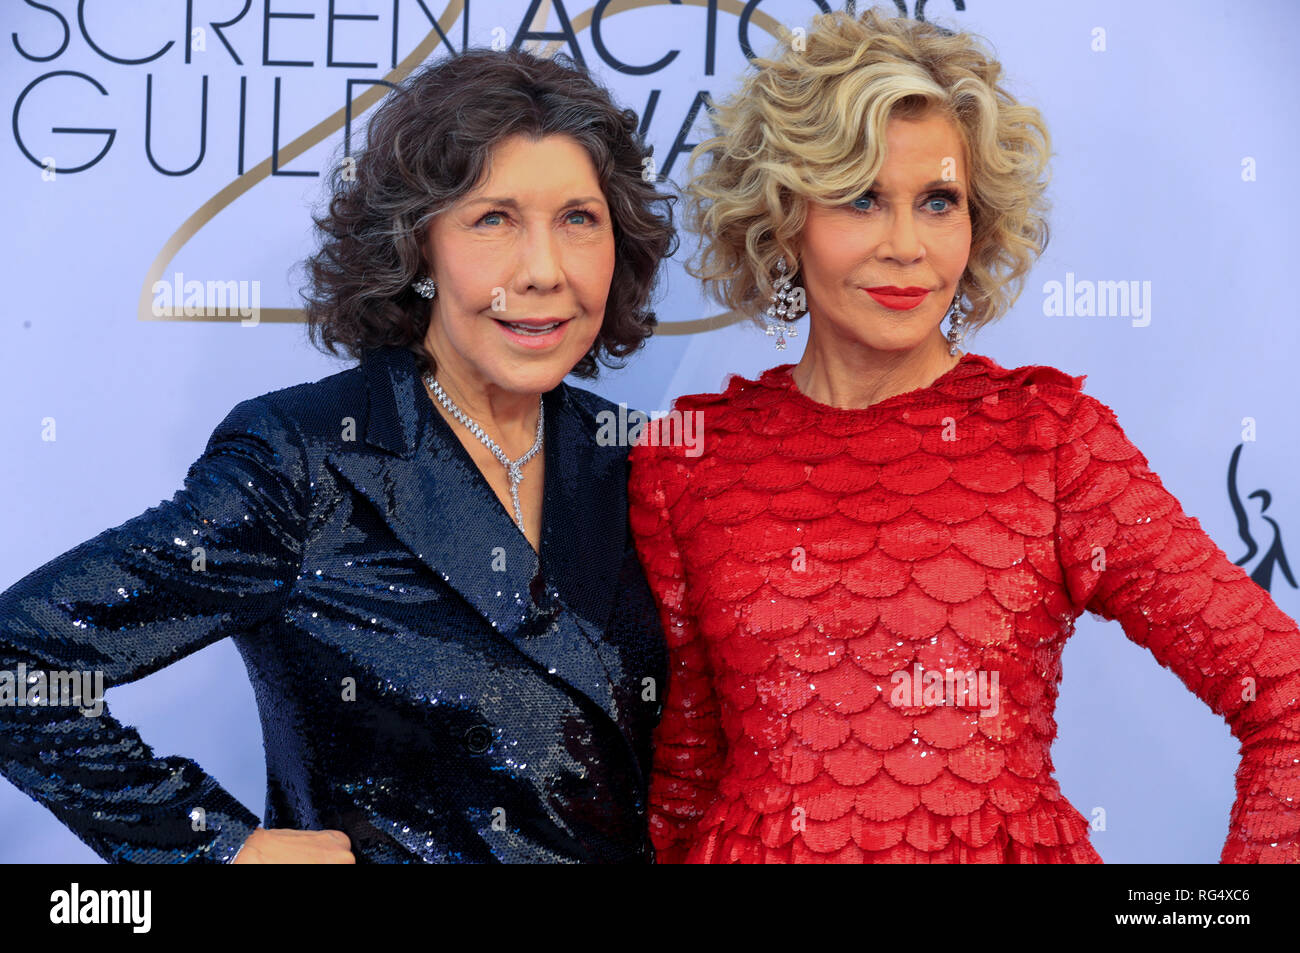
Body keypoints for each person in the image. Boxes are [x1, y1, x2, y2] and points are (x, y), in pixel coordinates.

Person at [628, 8, 1300, 863]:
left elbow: (1285, 694)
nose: (907, 246)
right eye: (862, 198)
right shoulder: (687, 458)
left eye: (938, 201)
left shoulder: (1052, 441)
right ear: (785, 217)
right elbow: (687, 776)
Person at [0, 47, 677, 864]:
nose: (542, 271)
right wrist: (220, 848)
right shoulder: (302, 460)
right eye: (493, 218)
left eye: (578, 219)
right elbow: (17, 665)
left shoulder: (640, 459)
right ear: (418, 245)